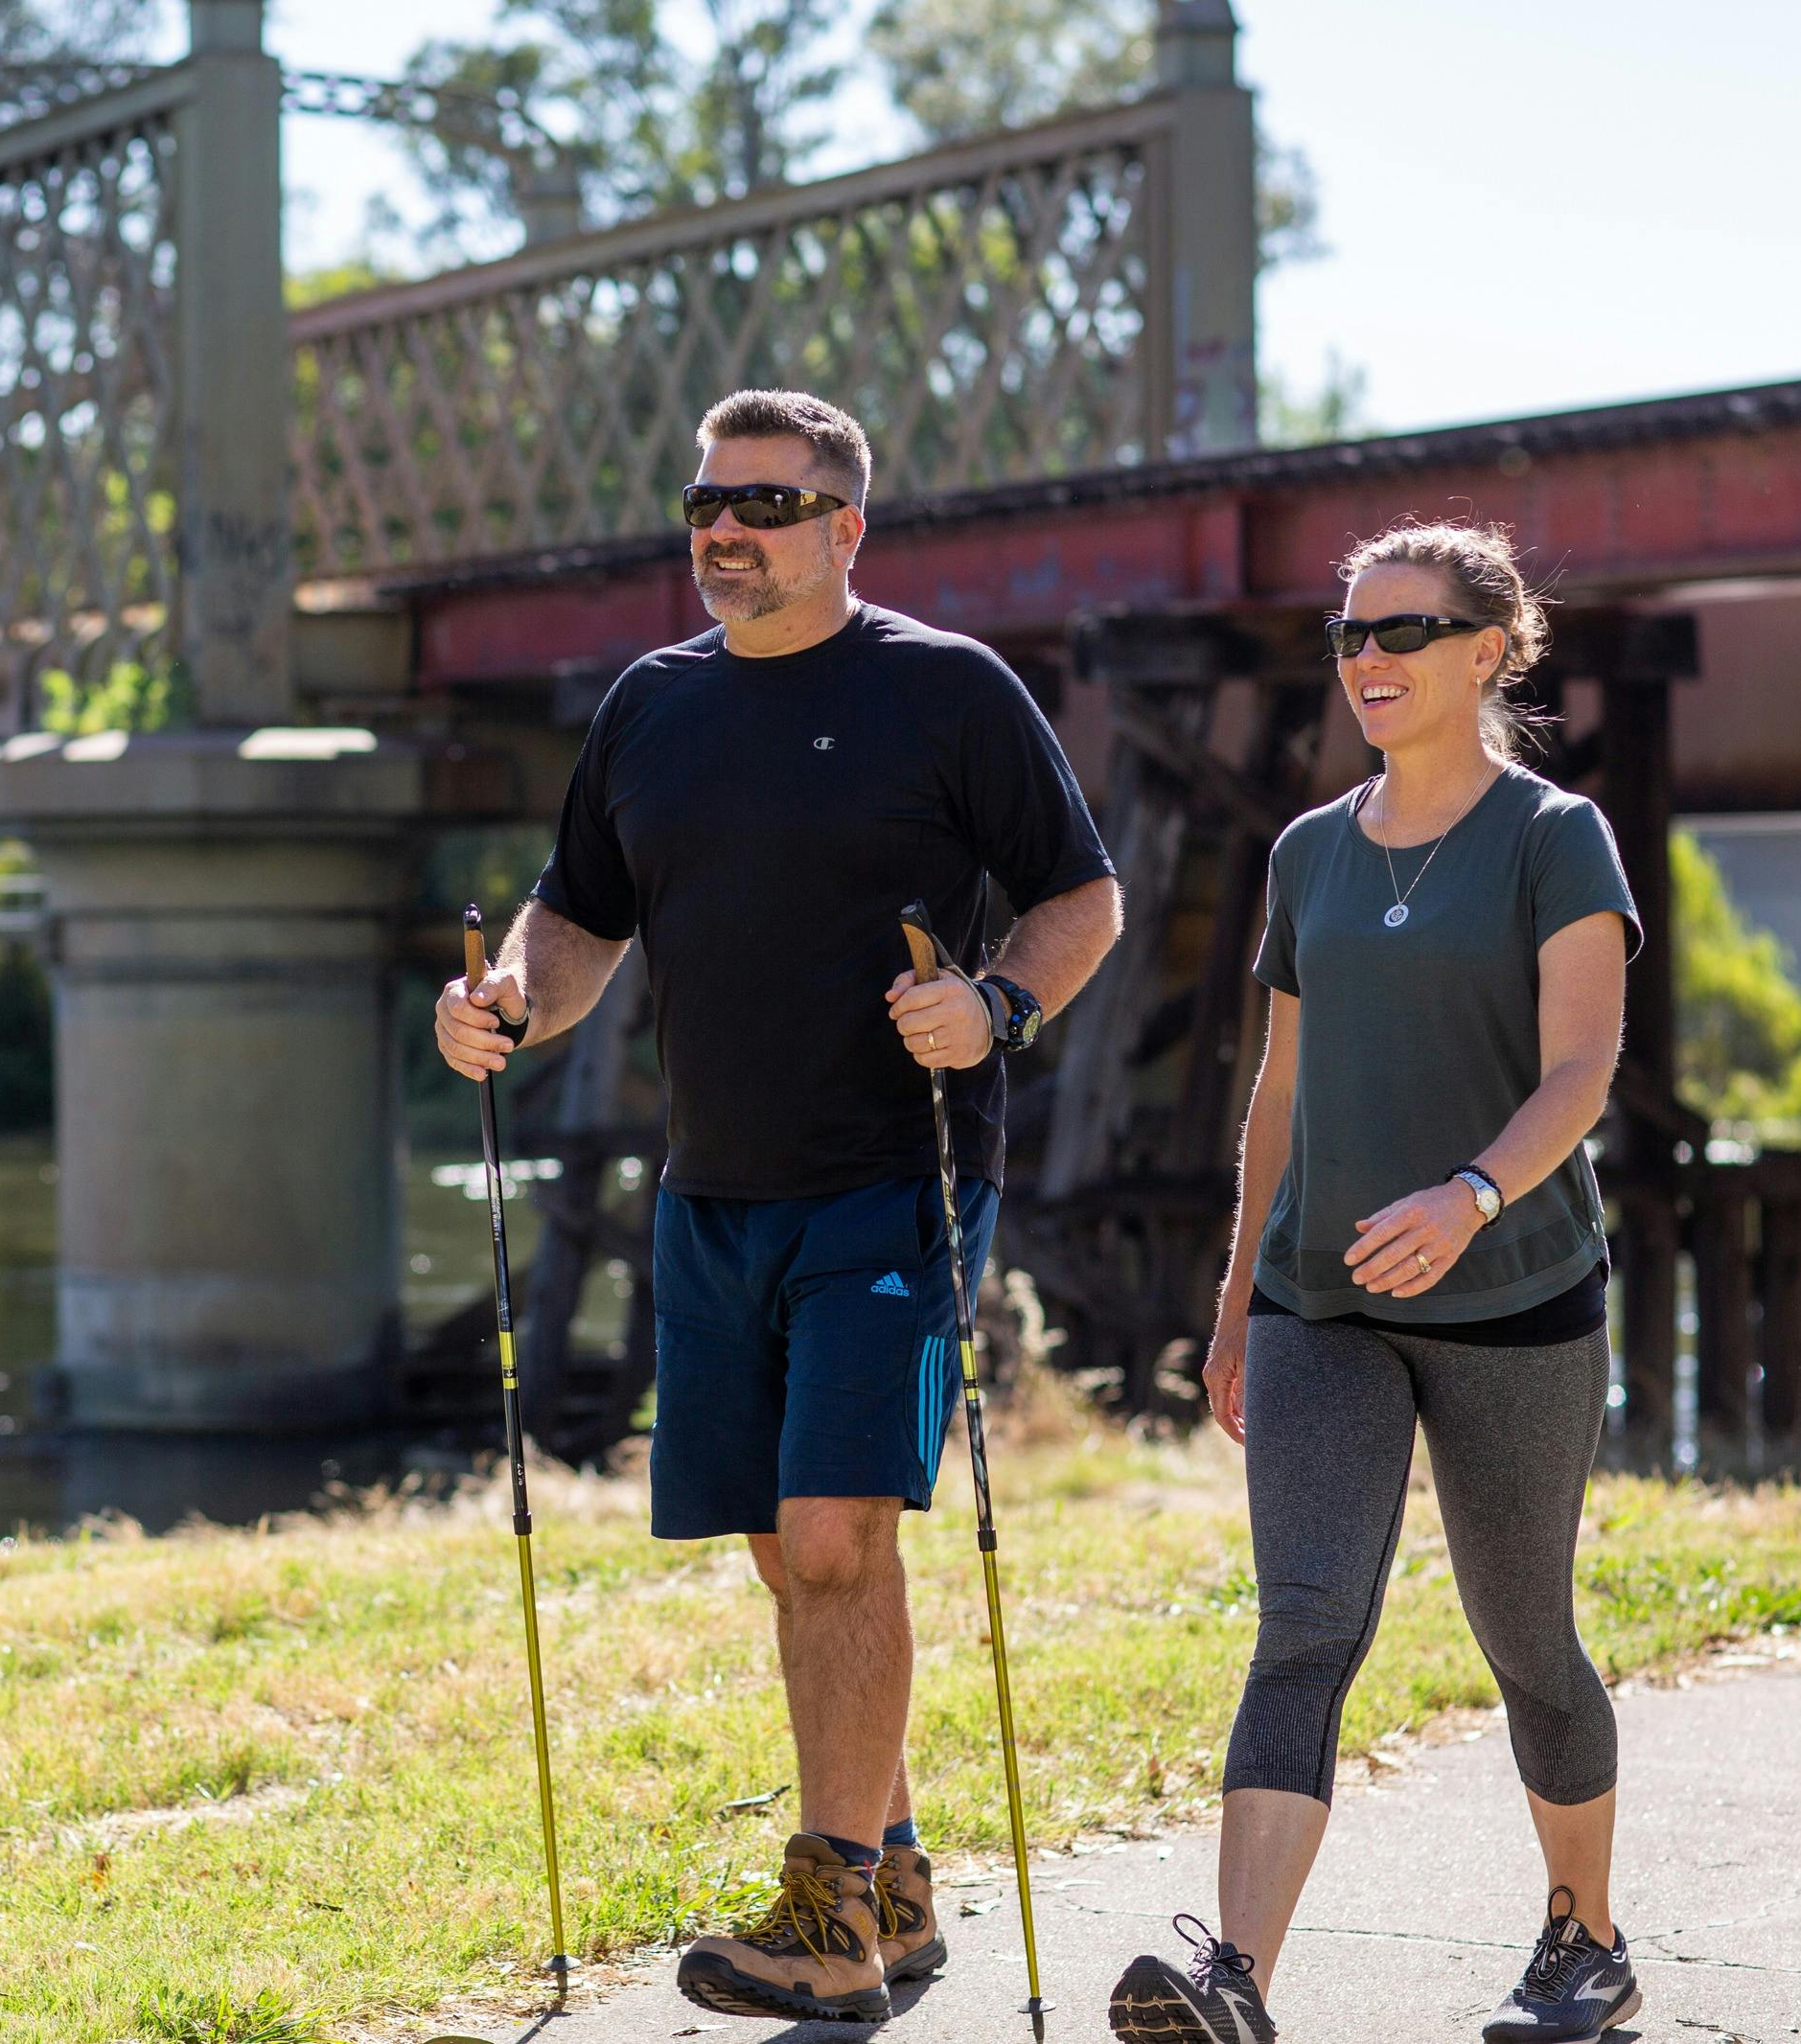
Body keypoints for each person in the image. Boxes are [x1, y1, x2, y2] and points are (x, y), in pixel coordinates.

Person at [436, 388, 1120, 2022]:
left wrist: (998, 1007)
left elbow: (1080, 898)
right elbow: (577, 913)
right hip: (712, 1191)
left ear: (846, 526)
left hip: (894, 1181)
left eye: (761, 501)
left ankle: (829, 1927)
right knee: (780, 1545)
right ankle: (892, 1865)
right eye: (701, 501)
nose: (721, 529)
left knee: (833, 1536)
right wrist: (510, 1002)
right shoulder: (651, 709)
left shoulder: (948, 694)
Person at [1104, 521, 1641, 2044]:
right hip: (1319, 1304)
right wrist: (1232, 1307)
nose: (1367, 660)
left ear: (1487, 649)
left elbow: (1583, 1067)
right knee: (1304, 1623)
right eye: (1349, 634)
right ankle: (1236, 1979)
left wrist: (1472, 1194)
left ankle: (1582, 1937)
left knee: (1525, 1632)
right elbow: (1278, 1093)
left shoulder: (1555, 835)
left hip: (1516, 1296)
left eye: (1403, 632)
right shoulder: (1308, 850)